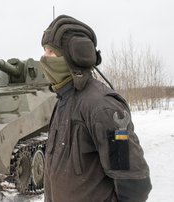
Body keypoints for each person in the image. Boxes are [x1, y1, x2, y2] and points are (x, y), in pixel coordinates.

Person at [39, 15, 152, 202]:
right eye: (44, 51)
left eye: (50, 52)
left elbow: (133, 182)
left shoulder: (102, 107)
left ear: (73, 54)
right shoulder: (63, 101)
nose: (43, 58)